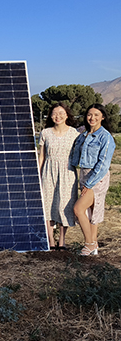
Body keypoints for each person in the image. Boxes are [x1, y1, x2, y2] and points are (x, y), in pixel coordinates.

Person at [72, 104, 116, 256]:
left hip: (97, 178)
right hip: (84, 174)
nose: (92, 118)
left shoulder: (106, 137)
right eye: (90, 114)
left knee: (78, 209)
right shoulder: (83, 133)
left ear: (102, 117)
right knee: (91, 212)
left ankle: (89, 243)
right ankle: (94, 244)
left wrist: (89, 184)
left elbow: (103, 165)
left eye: (96, 115)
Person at [38, 103, 79, 250]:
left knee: (64, 206)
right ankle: (51, 242)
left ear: (67, 115)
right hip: (48, 171)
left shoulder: (74, 133)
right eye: (54, 113)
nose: (58, 116)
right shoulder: (45, 133)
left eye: (61, 113)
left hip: (67, 172)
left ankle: (62, 241)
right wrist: (39, 173)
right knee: (47, 205)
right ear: (50, 116)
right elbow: (42, 156)